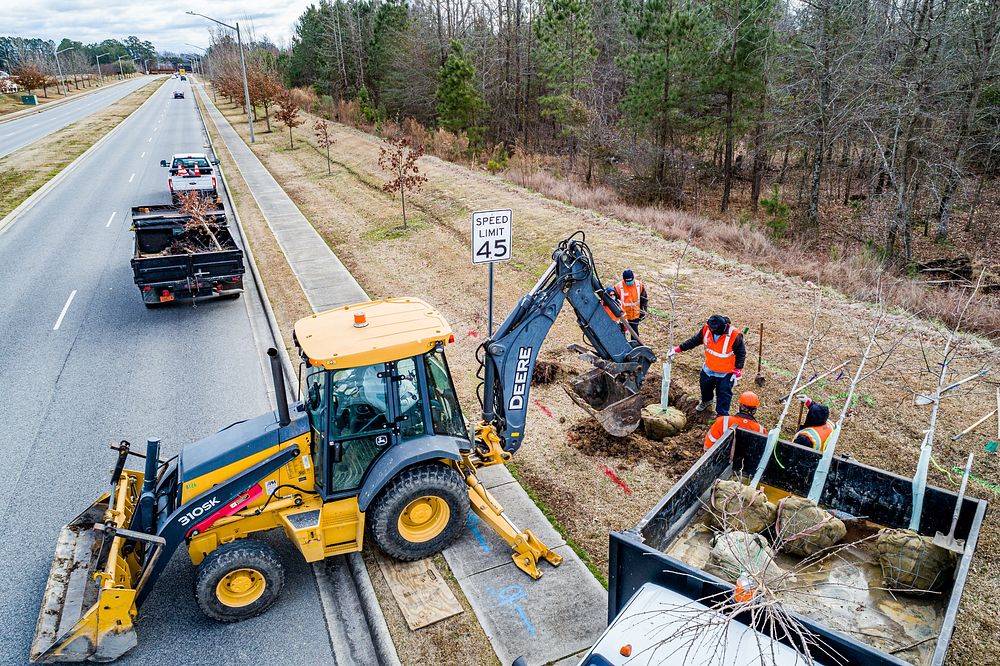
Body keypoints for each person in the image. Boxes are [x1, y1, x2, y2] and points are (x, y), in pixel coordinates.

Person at [668, 314, 746, 415]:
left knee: (723, 394)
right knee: (705, 387)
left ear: (722, 327)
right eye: (710, 327)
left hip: (726, 372)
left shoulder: (734, 335)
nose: (711, 330)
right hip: (709, 368)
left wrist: (738, 369)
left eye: (713, 329)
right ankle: (707, 402)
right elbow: (694, 341)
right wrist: (678, 349)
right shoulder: (706, 329)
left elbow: (741, 352)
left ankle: (721, 416)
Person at [614, 269, 648, 338]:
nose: (629, 282)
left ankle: (636, 346)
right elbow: (615, 302)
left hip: (635, 315)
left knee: (635, 335)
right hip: (623, 317)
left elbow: (644, 300)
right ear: (624, 280)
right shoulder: (618, 287)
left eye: (631, 280)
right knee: (621, 335)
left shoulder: (639, 285)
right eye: (627, 281)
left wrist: (643, 312)